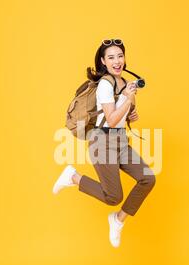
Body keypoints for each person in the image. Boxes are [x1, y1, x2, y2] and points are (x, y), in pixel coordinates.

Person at [53, 39, 156, 248]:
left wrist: (132, 113)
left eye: (120, 56)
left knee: (147, 179)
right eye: (111, 57)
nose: (117, 61)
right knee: (113, 196)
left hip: (120, 141)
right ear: (103, 61)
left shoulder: (124, 82)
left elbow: (121, 115)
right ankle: (73, 176)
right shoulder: (105, 85)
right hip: (102, 142)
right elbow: (110, 119)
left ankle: (117, 220)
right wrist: (127, 99)